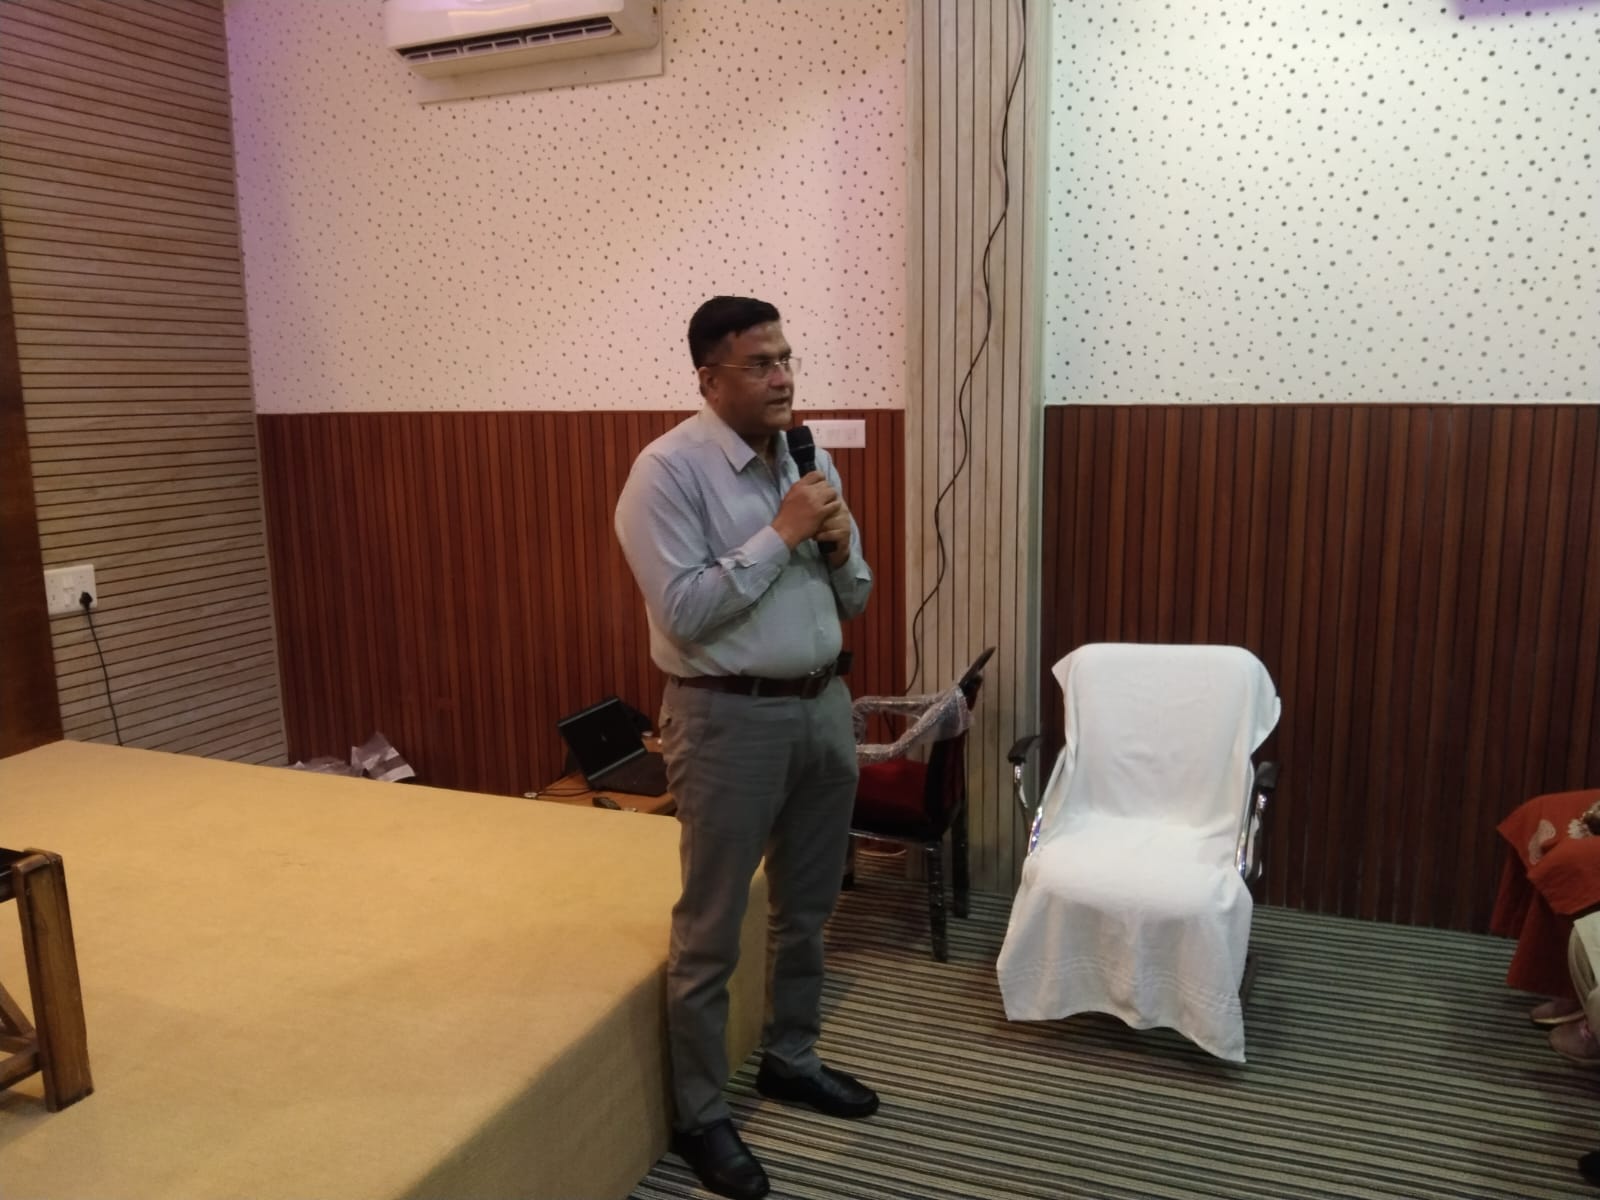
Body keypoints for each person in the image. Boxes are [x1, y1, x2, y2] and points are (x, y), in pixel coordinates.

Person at [614, 296, 877, 1200]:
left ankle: (791, 1057)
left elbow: (857, 598)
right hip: (727, 719)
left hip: (823, 708)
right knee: (713, 927)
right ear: (709, 378)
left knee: (807, 911)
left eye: (787, 358)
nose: (783, 377)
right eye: (761, 363)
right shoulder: (665, 473)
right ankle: (701, 1115)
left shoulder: (808, 458)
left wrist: (836, 549)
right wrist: (784, 533)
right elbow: (684, 611)